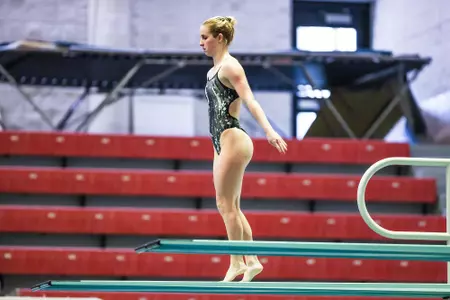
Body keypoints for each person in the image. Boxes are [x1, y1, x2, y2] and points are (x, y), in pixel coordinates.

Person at [199, 15, 288, 282]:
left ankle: (236, 261)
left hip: (233, 138)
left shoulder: (231, 67)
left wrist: (269, 131)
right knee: (230, 206)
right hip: (220, 141)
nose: (201, 43)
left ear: (220, 38)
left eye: (205, 37)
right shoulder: (211, 71)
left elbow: (250, 100)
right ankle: (251, 261)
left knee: (226, 205)